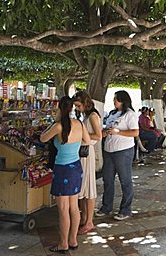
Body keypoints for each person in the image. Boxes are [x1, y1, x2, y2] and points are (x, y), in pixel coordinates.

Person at [40, 96, 90, 253]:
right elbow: (87, 141)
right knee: (74, 207)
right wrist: (73, 146)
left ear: (60, 109)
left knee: (63, 209)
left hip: (62, 169)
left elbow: (42, 138)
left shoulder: (58, 126)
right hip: (76, 167)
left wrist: (56, 120)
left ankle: (63, 243)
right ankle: (73, 240)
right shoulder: (79, 124)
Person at [96, 91, 139, 221]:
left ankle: (125, 209)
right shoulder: (112, 114)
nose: (114, 102)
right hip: (109, 150)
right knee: (108, 180)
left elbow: (135, 132)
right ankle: (106, 206)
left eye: (116, 99)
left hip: (123, 151)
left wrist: (118, 132)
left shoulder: (130, 114)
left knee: (125, 180)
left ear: (123, 100)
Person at [72, 91, 102, 235]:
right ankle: (85, 218)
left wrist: (80, 135)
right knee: (83, 187)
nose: (77, 108)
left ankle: (89, 221)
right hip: (83, 153)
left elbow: (98, 135)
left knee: (89, 188)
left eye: (78, 105)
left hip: (87, 153)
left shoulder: (93, 116)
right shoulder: (86, 116)